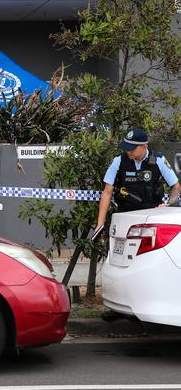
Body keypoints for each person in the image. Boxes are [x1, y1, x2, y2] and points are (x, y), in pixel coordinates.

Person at [92, 126, 180, 321]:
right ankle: (117, 307)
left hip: (149, 220)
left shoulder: (158, 161)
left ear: (144, 146)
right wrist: (100, 225)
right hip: (124, 217)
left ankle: (142, 305)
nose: (128, 151)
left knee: (142, 265)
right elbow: (107, 192)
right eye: (127, 147)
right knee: (118, 262)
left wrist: (168, 204)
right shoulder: (118, 161)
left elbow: (175, 187)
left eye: (132, 148)